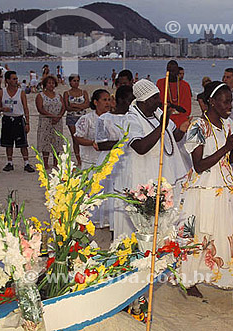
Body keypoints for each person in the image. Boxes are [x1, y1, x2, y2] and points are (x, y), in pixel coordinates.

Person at [177, 81, 233, 302]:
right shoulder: (197, 126)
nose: (230, 106)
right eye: (226, 102)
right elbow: (199, 164)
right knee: (201, 235)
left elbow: (229, 158)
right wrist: (227, 147)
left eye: (231, 102)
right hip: (204, 190)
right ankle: (189, 282)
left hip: (227, 189)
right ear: (212, 102)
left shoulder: (228, 125)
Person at [113, 79, 190, 238]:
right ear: (144, 100)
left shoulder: (158, 114)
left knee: (167, 217)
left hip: (165, 172)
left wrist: (182, 130)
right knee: (147, 220)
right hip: (144, 176)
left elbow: (171, 138)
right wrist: (162, 125)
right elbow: (140, 147)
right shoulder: (131, 119)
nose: (159, 101)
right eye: (155, 98)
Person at [95, 86, 134, 231]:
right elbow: (101, 143)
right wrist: (123, 142)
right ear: (121, 100)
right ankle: (110, 222)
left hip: (130, 158)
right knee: (110, 190)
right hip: (111, 159)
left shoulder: (133, 118)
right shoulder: (104, 119)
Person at [0, 71, 35, 173]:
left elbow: (26, 108)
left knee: (23, 144)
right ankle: (10, 162)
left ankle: (26, 163)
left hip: (18, 118)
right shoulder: (2, 92)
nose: (16, 81)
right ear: (8, 80)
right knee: (8, 143)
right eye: (13, 79)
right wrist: (3, 109)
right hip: (7, 119)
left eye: (16, 79)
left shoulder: (21, 92)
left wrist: (27, 122)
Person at [74, 89, 112, 170]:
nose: (107, 103)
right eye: (104, 100)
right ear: (96, 102)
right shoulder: (86, 119)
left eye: (109, 100)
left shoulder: (112, 118)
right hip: (90, 161)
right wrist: (92, 143)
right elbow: (78, 138)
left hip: (109, 160)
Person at [36, 75, 65, 169]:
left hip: (57, 122)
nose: (51, 85)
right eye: (49, 83)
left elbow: (63, 107)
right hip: (45, 121)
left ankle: (56, 162)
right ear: (45, 84)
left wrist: (58, 116)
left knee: (56, 141)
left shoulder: (58, 95)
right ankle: (45, 163)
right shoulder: (40, 95)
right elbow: (40, 108)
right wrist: (52, 116)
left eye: (52, 83)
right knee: (46, 142)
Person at [63, 74, 90, 168]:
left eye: (77, 80)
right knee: (76, 139)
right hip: (72, 118)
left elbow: (87, 104)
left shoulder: (84, 92)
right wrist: (79, 106)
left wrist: (75, 106)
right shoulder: (67, 93)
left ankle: (84, 157)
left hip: (82, 117)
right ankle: (78, 159)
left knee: (84, 137)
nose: (76, 82)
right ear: (70, 82)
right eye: (74, 81)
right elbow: (67, 107)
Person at [156, 60, 192, 128]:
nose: (171, 73)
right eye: (169, 71)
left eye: (173, 71)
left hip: (180, 119)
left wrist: (172, 105)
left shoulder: (185, 85)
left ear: (177, 72)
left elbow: (186, 110)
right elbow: (158, 104)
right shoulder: (160, 83)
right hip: (164, 118)